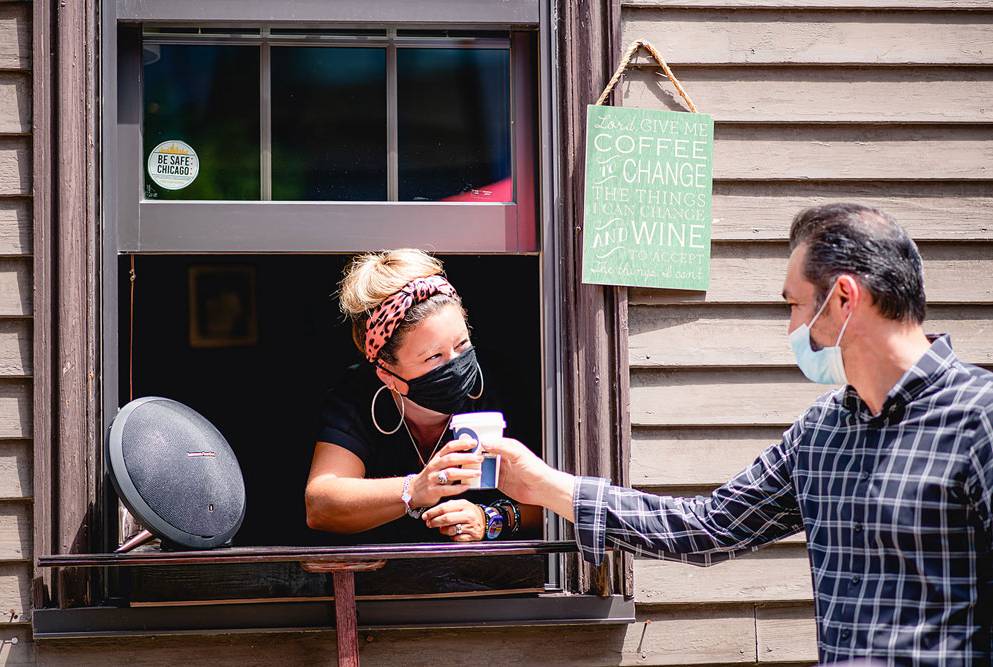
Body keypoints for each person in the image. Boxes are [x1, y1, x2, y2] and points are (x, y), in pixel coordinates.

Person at [482, 204, 993, 665]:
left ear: (842, 298)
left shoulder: (979, 419)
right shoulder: (822, 433)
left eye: (794, 304)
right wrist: (545, 486)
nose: (791, 326)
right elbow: (711, 527)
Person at [305, 248, 533, 543]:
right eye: (434, 357)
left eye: (462, 346)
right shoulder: (356, 395)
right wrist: (414, 489)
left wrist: (492, 518)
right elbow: (321, 505)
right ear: (387, 374)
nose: (455, 364)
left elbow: (556, 498)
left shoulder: (500, 385)